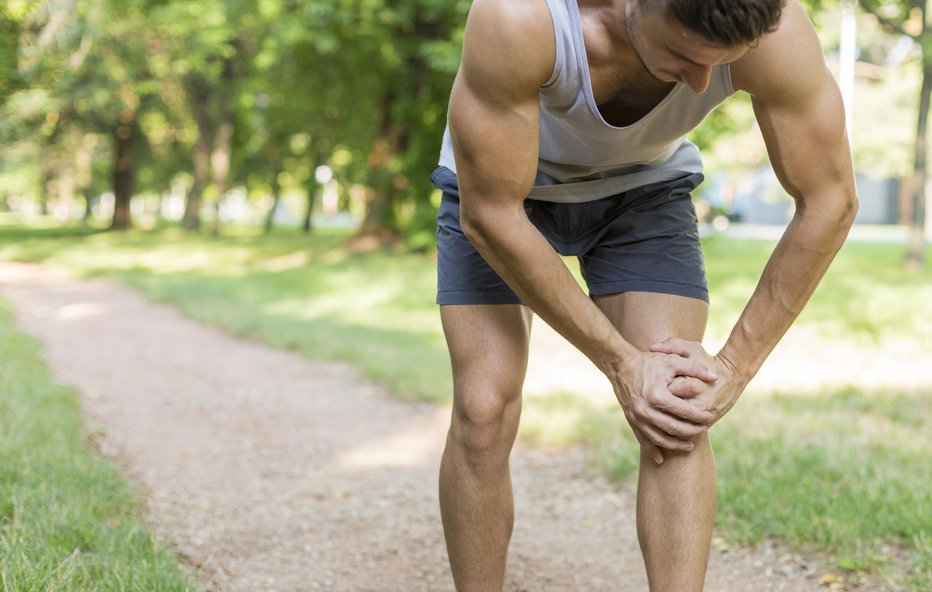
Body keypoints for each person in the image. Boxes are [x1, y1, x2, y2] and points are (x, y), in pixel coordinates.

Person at [431, 0, 858, 589]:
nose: (703, 84)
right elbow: (491, 214)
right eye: (683, 55)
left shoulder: (775, 33)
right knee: (483, 409)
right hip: (504, 195)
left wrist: (732, 367)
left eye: (722, 63)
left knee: (676, 405)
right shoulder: (520, 17)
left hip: (642, 191)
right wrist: (620, 362)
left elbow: (831, 200)